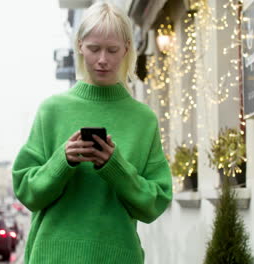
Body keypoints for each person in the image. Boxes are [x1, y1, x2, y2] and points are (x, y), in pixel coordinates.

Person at [12, 2, 172, 263]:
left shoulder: (143, 120)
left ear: (127, 49)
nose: (102, 60)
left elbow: (154, 203)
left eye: (112, 50)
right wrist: (63, 160)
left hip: (117, 255)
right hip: (53, 255)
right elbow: (27, 192)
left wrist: (114, 166)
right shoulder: (51, 111)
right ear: (79, 45)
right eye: (94, 48)